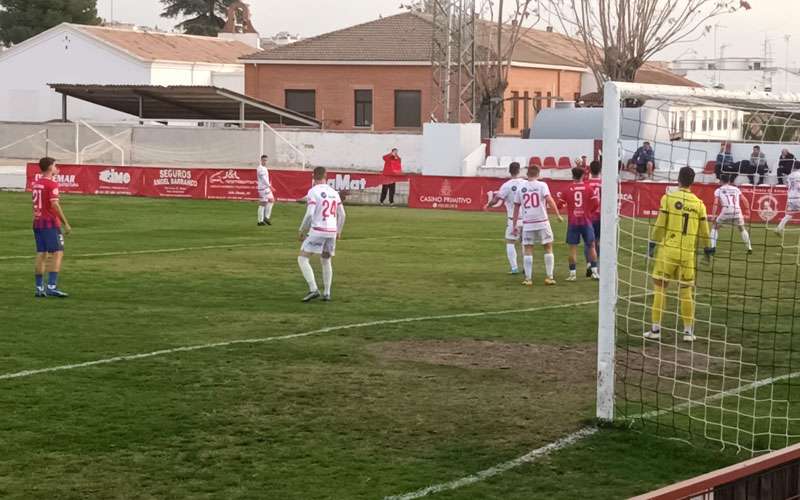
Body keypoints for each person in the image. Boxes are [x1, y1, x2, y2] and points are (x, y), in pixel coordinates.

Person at [645, 166, 712, 342]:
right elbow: (705, 231)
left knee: (660, 288)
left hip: (668, 251)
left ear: (678, 180)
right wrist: (707, 248)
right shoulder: (699, 204)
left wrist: (652, 243)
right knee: (686, 292)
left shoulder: (668, 198)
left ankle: (655, 330)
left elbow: (660, 224)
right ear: (693, 182)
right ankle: (688, 332)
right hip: (687, 254)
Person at [297, 167, 346, 302]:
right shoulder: (334, 192)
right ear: (326, 176)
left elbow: (309, 214)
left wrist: (302, 230)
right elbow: (342, 214)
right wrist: (339, 231)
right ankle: (327, 293)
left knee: (302, 258)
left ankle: (313, 289)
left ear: (313, 177)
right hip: (331, 231)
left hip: (318, 229)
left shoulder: (313, 191)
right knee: (326, 260)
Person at [511, 165, 563, 286]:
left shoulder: (521, 187)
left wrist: (514, 225)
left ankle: (528, 279)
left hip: (528, 223)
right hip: (542, 221)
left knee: (528, 249)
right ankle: (549, 277)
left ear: (527, 174)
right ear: (538, 174)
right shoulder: (542, 185)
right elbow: (549, 200)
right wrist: (557, 214)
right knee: (548, 247)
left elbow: (516, 207)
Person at [31, 157, 71, 298]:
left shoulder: (37, 183)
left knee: (41, 253)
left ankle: (39, 288)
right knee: (58, 252)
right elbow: (54, 205)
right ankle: (51, 287)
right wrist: (65, 222)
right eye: (55, 165)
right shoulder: (51, 184)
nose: (57, 168)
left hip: (37, 222)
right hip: (49, 223)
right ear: (49, 167)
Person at [484, 162, 525, 274]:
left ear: (509, 171)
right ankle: (526, 268)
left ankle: (514, 268)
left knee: (510, 242)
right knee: (525, 243)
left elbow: (496, 199)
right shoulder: (525, 183)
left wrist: (489, 205)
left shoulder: (506, 185)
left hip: (513, 219)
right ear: (519, 170)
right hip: (527, 219)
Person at [562, 167, 599, 281]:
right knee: (592, 246)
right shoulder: (588, 188)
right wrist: (589, 212)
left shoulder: (567, 189)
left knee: (572, 248)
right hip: (586, 221)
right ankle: (594, 272)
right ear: (583, 176)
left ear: (572, 176)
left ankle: (572, 274)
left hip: (573, 222)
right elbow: (596, 203)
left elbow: (560, 204)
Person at [710, 173, 752, 254]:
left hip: (726, 210)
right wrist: (747, 209)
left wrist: (713, 216)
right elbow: (744, 200)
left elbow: (715, 203)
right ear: (729, 181)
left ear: (721, 181)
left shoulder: (718, 190)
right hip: (737, 211)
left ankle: (713, 247)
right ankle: (749, 248)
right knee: (742, 228)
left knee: (715, 228)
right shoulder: (736, 189)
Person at [585, 160, 602, 277]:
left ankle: (589, 264)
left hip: (589, 216)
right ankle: (596, 264)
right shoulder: (604, 183)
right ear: (601, 170)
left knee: (589, 242)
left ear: (590, 170)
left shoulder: (586, 183)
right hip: (602, 216)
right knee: (598, 241)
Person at [775, 163, 800, 234]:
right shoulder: (799, 175)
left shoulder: (790, 175)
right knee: (789, 214)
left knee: (789, 215)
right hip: (798, 197)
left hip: (790, 197)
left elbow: (787, 184)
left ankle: (778, 228)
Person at [256, 155, 274, 226]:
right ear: (261, 160)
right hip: (263, 189)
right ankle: (260, 221)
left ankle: (266, 217)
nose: (265, 161)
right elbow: (264, 179)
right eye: (264, 160)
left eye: (266, 160)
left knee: (271, 200)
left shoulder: (264, 168)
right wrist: (270, 186)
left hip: (266, 188)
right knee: (263, 204)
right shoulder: (260, 168)